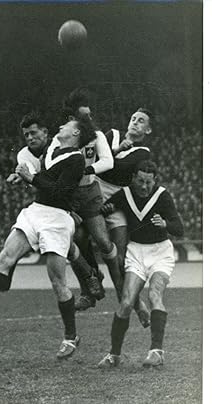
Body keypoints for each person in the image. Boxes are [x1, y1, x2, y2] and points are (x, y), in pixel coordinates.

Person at [0, 115, 98, 359]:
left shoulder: (77, 160)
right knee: (6, 255)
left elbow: (60, 191)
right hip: (36, 211)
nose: (61, 126)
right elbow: (40, 174)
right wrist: (22, 176)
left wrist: (31, 178)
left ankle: (70, 336)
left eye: (67, 125)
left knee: (57, 281)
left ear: (76, 133)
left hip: (57, 218)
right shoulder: (54, 146)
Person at [0, 112, 103, 299]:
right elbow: (35, 175)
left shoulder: (60, 146)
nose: (30, 138)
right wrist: (22, 177)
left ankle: (89, 278)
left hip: (72, 195)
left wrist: (31, 178)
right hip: (51, 202)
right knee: (59, 241)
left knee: (75, 239)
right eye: (26, 135)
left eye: (34, 133)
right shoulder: (24, 154)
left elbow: (50, 179)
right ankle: (89, 276)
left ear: (45, 133)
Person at [98, 160, 184, 368]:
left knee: (154, 295)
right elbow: (104, 209)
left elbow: (179, 228)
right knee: (126, 302)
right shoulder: (125, 194)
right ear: (133, 178)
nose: (144, 187)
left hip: (160, 252)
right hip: (136, 251)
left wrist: (165, 224)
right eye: (140, 181)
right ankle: (114, 355)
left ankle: (156, 352)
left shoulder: (162, 196)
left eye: (148, 182)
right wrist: (107, 208)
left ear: (155, 181)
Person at [76, 108, 152, 326]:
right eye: (133, 118)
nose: (135, 122)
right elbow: (100, 159)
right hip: (94, 189)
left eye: (141, 121)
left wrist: (113, 204)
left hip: (117, 199)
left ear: (147, 129)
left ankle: (133, 304)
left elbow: (121, 168)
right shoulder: (112, 134)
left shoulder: (143, 152)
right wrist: (116, 148)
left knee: (118, 260)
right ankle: (92, 280)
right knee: (79, 236)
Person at [62, 88, 123, 309]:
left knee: (103, 241)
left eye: (90, 115)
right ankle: (89, 288)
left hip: (90, 194)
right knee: (76, 240)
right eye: (84, 117)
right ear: (72, 119)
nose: (90, 120)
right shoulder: (61, 139)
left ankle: (120, 285)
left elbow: (108, 161)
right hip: (70, 198)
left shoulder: (95, 135)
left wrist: (87, 171)